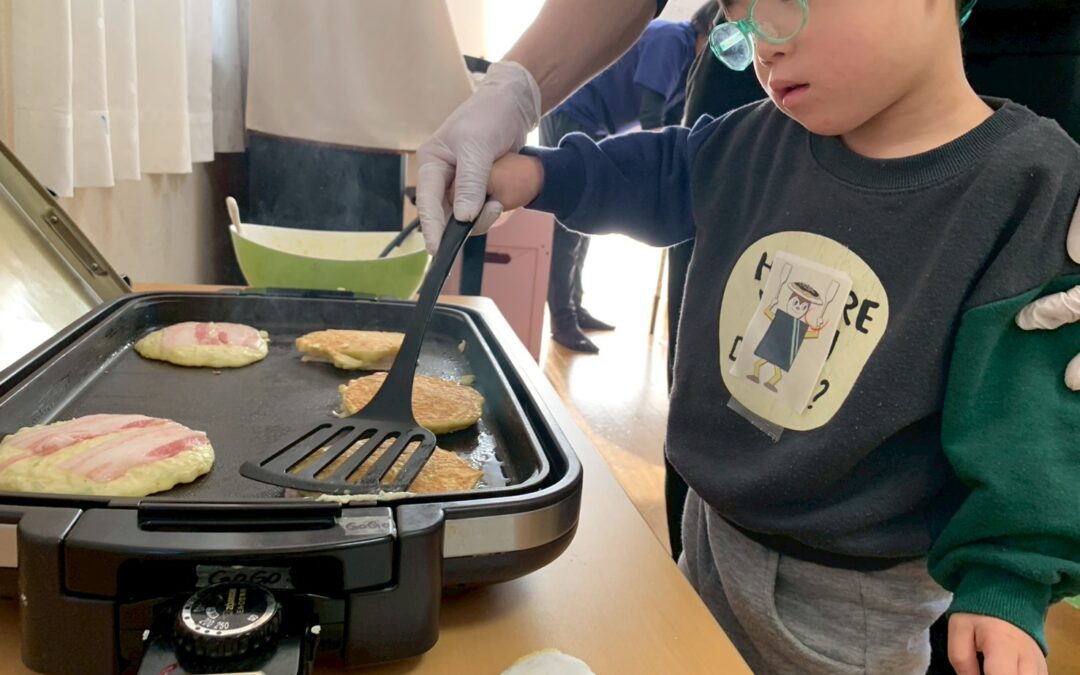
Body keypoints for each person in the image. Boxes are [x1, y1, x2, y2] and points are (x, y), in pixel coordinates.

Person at [423, 1, 1080, 673]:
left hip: (852, 589)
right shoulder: (758, 136)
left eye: (786, 5)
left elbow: (1028, 417)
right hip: (711, 526)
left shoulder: (1027, 185)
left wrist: (1009, 581)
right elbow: (662, 173)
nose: (763, 49)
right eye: (741, 25)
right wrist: (536, 175)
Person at [541, 9, 712, 353]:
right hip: (572, 113)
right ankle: (562, 321)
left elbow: (673, 119)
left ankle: (574, 307)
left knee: (582, 222)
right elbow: (652, 110)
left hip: (592, 122)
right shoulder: (673, 38)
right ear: (710, 27)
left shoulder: (687, 63)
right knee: (568, 226)